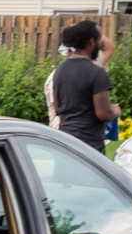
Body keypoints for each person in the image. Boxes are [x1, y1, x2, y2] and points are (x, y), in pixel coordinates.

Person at [50, 21, 120, 151]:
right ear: (91, 42)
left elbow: (58, 109)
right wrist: (115, 111)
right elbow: (103, 114)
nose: (100, 45)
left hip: (65, 143)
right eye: (99, 40)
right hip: (89, 146)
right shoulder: (97, 73)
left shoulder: (59, 71)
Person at [45, 35, 115, 132]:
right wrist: (114, 111)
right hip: (64, 131)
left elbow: (109, 47)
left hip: (88, 131)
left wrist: (85, 30)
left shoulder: (91, 69)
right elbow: (60, 109)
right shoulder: (58, 75)